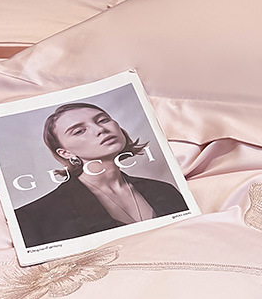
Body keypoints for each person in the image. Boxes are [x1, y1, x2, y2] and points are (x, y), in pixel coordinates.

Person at [14, 102, 188, 248]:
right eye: (79, 131)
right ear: (65, 153)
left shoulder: (165, 190)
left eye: (103, 120)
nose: (100, 129)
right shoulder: (33, 217)